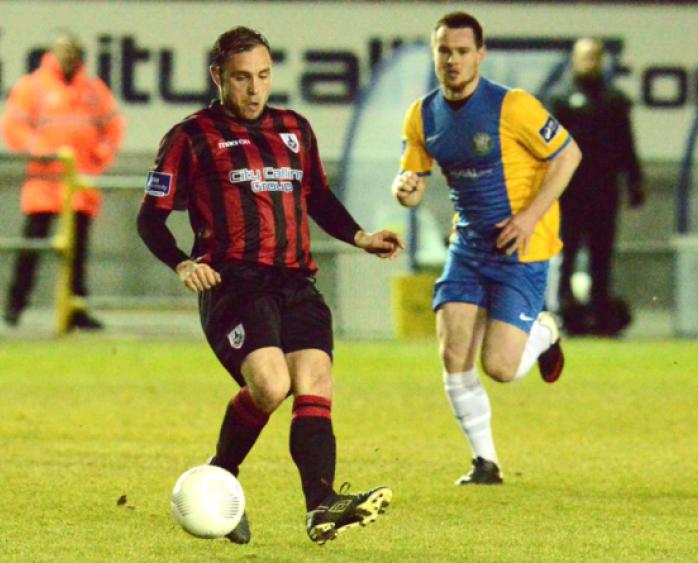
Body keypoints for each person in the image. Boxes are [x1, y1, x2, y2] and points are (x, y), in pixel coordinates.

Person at [137, 26, 400, 545]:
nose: (254, 90)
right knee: (271, 385)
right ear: (218, 77)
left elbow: (318, 198)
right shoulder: (190, 136)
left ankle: (321, 505)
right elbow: (151, 218)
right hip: (234, 283)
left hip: (296, 280)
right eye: (240, 78)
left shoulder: (294, 129)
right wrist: (181, 263)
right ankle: (221, 474)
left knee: (315, 379)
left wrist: (361, 237)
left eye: (262, 76)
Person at [392, 12, 581, 485]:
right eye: (444, 51)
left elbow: (569, 154)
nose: (452, 60)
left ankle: (545, 333)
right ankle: (485, 462)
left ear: (480, 54)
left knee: (499, 367)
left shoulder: (513, 107)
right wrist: (405, 191)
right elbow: (414, 183)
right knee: (453, 353)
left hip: (523, 246)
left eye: (461, 51)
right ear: (434, 53)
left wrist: (529, 216)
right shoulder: (422, 114)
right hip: (469, 247)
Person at [1, 32, 125, 329]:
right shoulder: (33, 88)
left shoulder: (93, 90)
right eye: (65, 52)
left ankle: (75, 309)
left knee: (77, 253)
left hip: (79, 184)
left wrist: (102, 154)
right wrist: (38, 148)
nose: (70, 59)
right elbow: (13, 126)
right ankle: (15, 305)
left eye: (74, 53)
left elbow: (113, 127)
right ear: (53, 54)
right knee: (33, 246)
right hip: (45, 183)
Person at [548, 38, 644, 336]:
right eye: (584, 57)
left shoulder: (614, 100)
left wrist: (634, 181)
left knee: (602, 253)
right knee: (566, 251)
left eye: (595, 57)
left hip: (604, 190)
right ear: (574, 60)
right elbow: (547, 148)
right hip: (570, 192)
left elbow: (626, 145)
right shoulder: (560, 98)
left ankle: (601, 311)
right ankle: (565, 310)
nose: (590, 63)